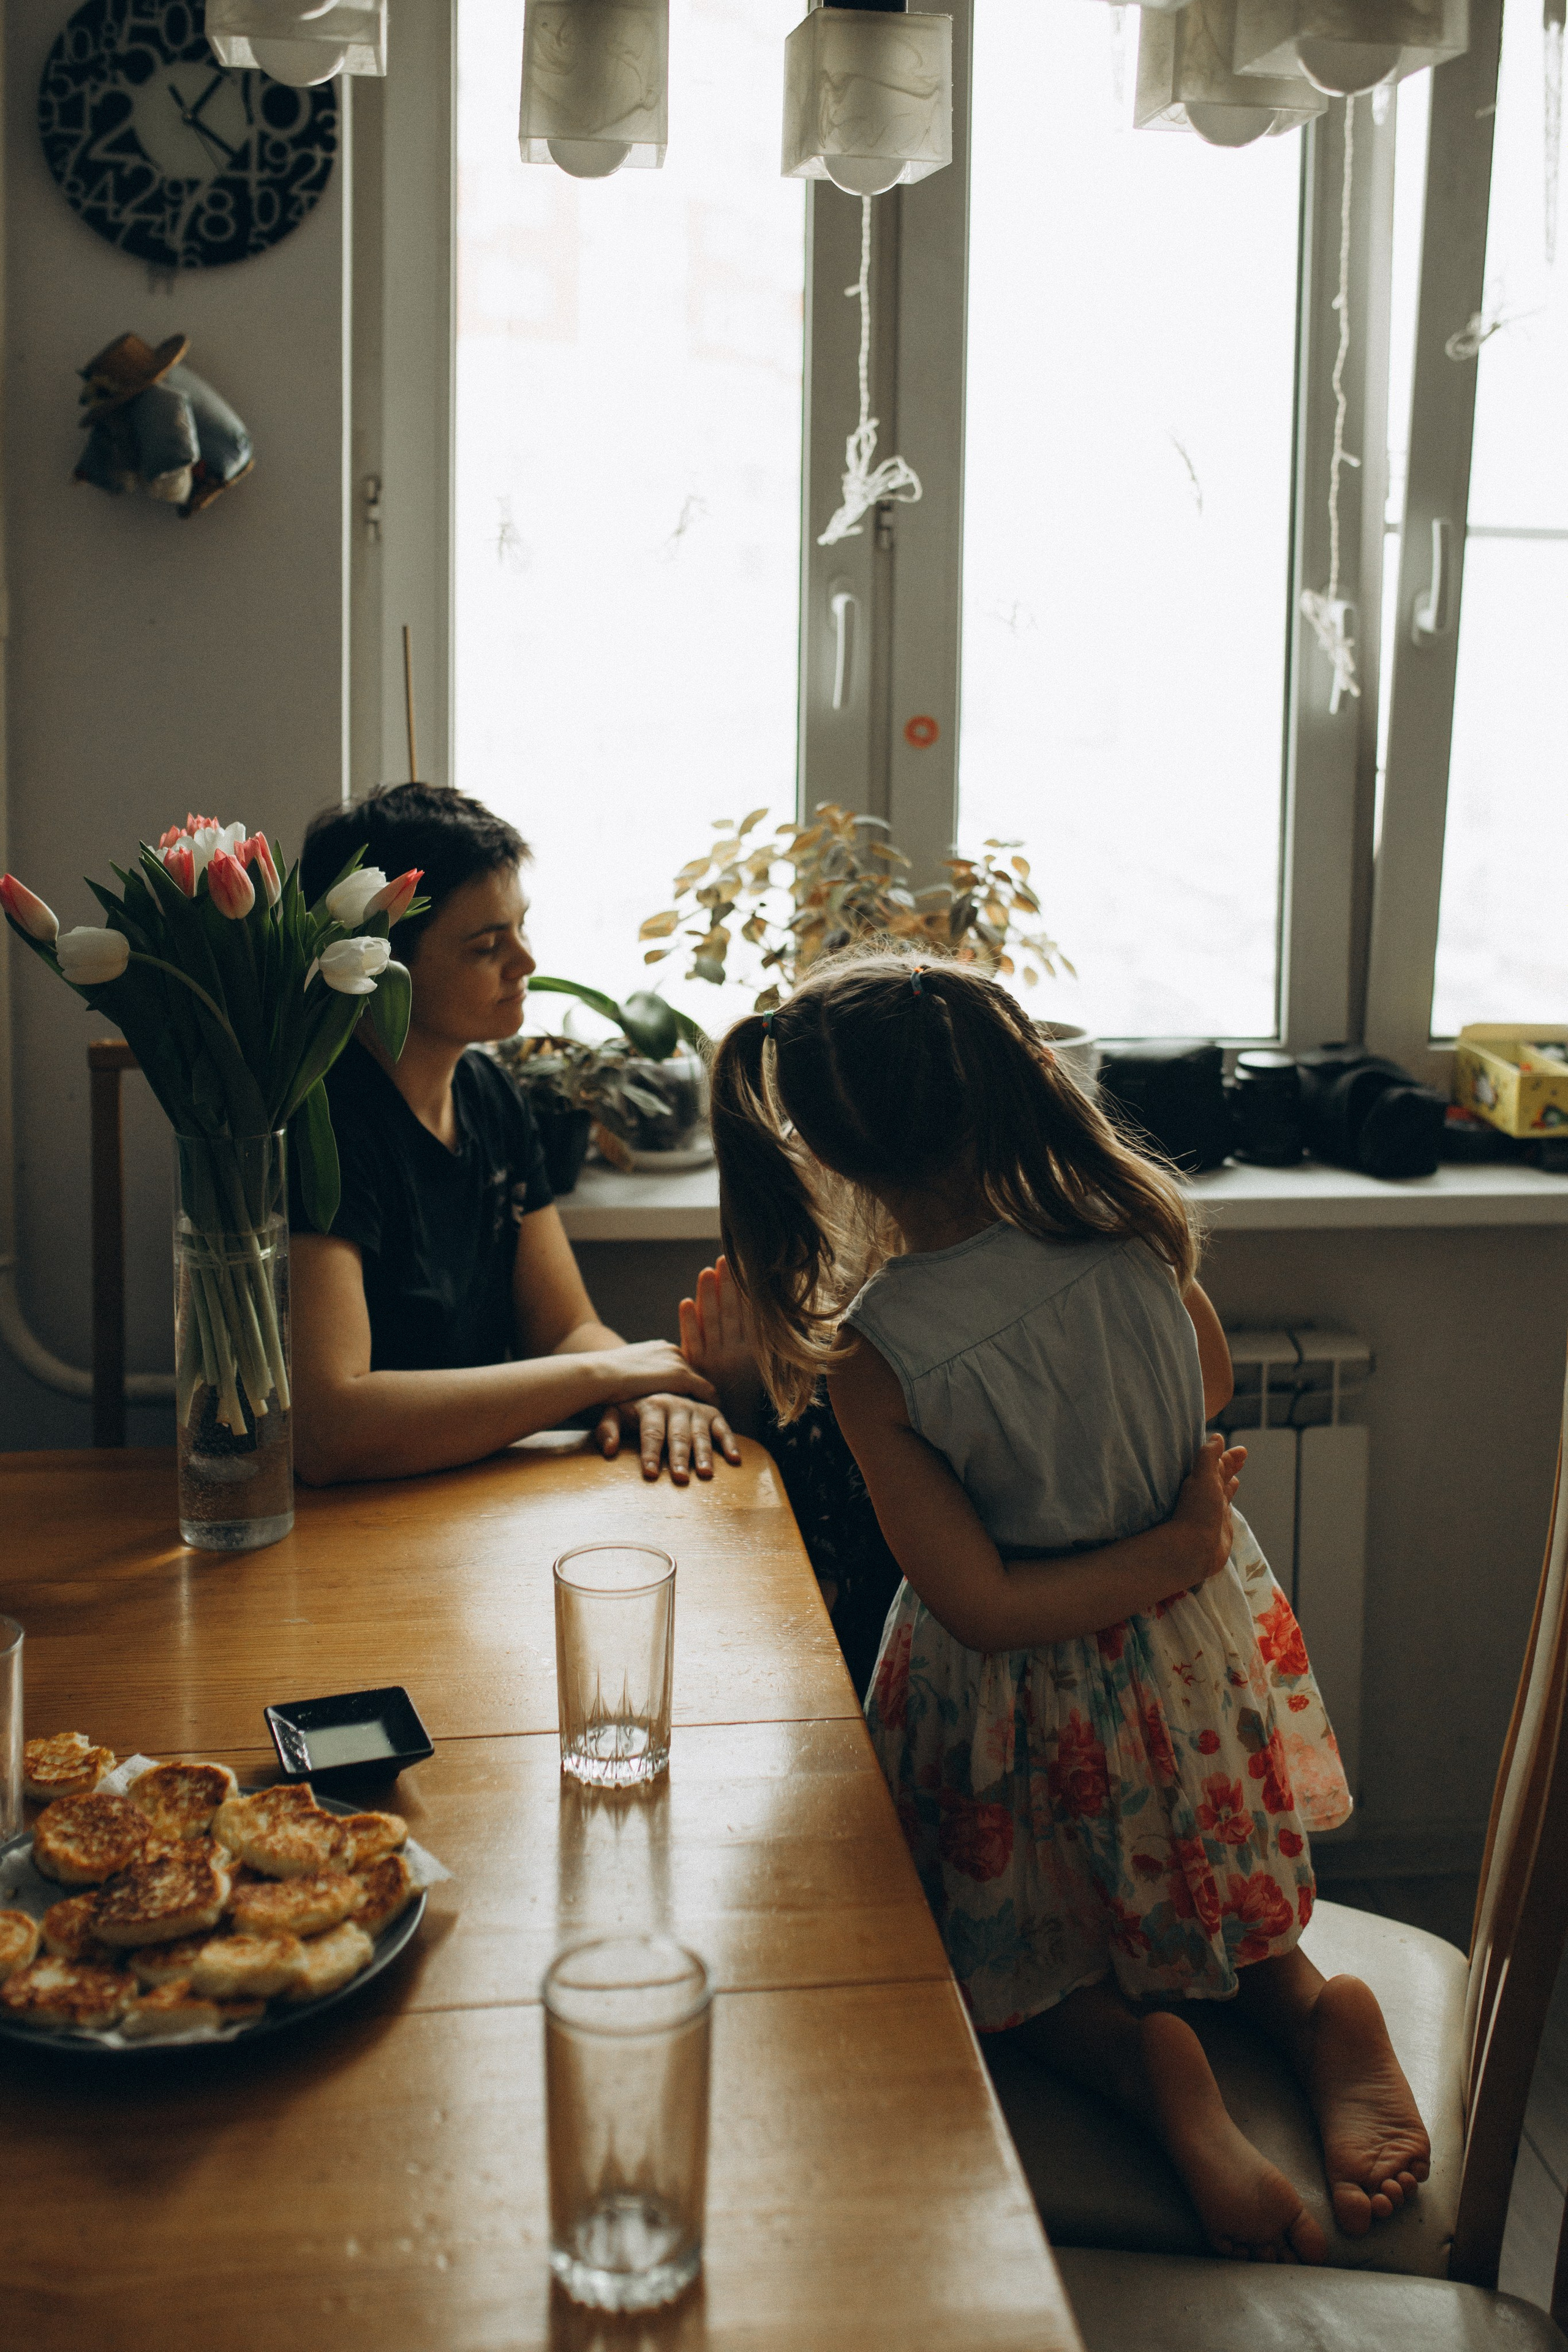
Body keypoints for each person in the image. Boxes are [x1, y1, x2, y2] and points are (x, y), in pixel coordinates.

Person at [707, 947, 1430, 2266]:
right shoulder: (1131, 1238)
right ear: (1013, 1085)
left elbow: (976, 1605)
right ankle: (1308, 2010)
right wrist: (1173, 1551)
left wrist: (1153, 1550)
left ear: (825, 1149)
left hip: (1015, 1705)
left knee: (1008, 1964)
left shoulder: (877, 1351)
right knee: (1214, 1900)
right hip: (1185, 1658)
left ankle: (1137, 2064)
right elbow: (1206, 1382)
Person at [288, 783, 738, 1487]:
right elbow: (330, 1428)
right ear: (380, 967)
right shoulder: (321, 1122)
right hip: (350, 1518)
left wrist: (642, 1389)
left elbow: (563, 1330)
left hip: (474, 1489)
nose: (524, 963)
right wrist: (603, 1373)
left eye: (521, 929)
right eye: (486, 946)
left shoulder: (489, 1093)